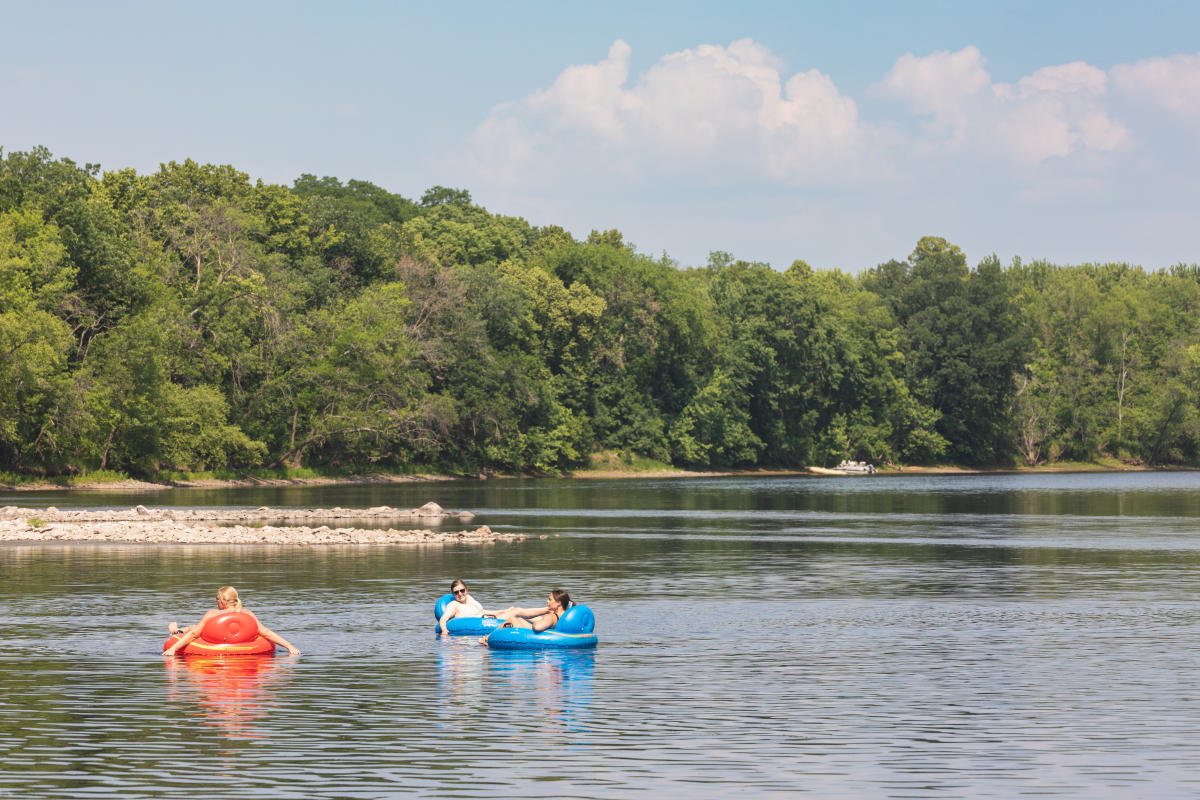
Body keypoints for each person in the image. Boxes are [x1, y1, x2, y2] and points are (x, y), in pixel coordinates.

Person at [164, 585, 301, 656]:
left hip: (211, 640)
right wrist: (290, 646)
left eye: (217, 599)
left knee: (194, 628)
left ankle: (175, 629)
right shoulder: (247, 614)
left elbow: (194, 635)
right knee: (194, 627)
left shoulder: (212, 613)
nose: (216, 602)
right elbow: (266, 633)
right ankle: (178, 629)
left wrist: (173, 648)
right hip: (238, 643)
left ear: (223, 601)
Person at [479, 589, 571, 645]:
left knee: (512, 619)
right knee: (519, 619)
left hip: (538, 634)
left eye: (550, 599)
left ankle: (487, 638)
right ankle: (487, 637)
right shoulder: (566, 614)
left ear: (558, 603)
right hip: (554, 634)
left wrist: (536, 623)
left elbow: (537, 627)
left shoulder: (552, 616)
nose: (547, 602)